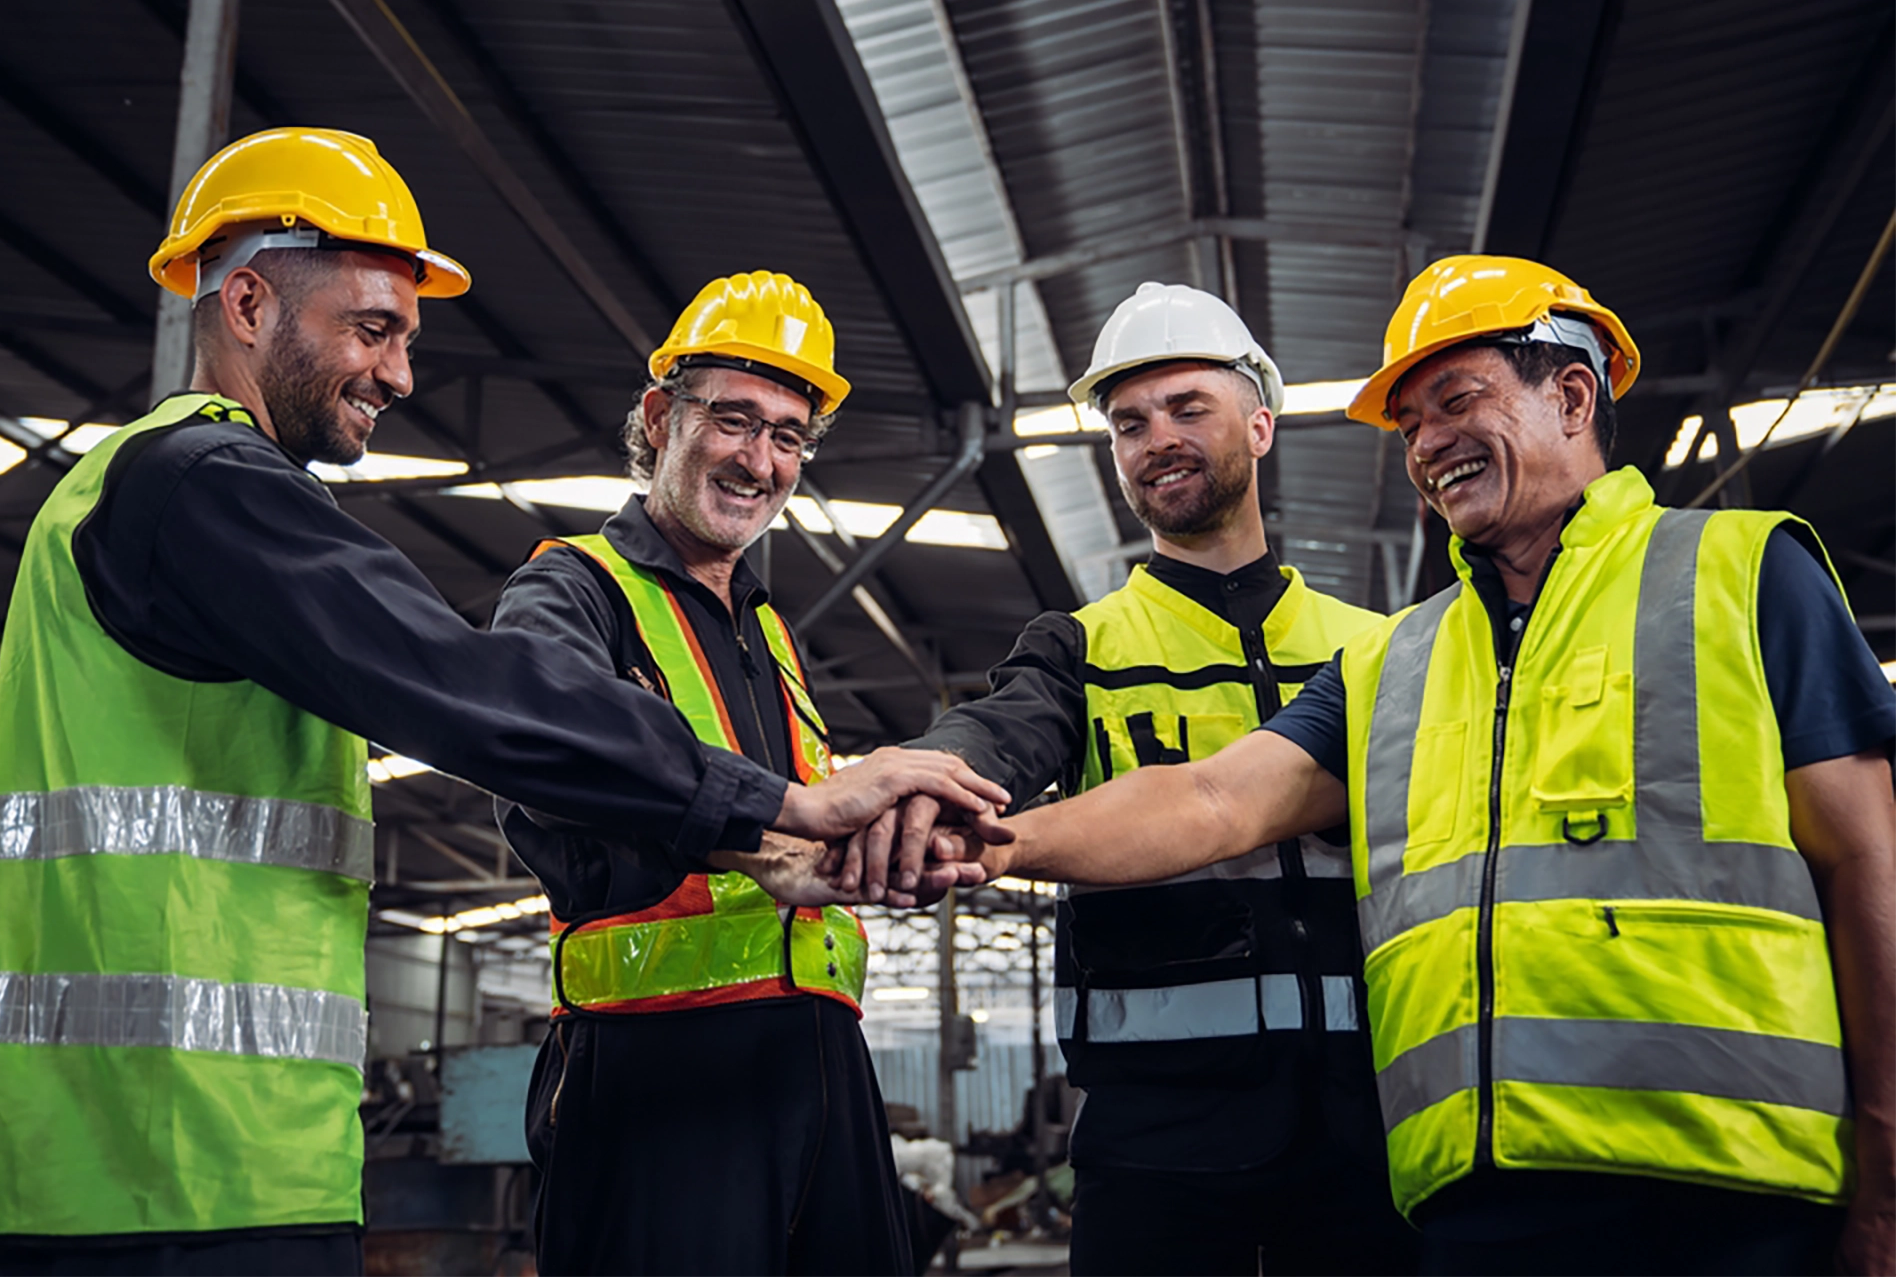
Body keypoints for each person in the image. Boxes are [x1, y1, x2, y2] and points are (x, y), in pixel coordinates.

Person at [0, 129, 1003, 1276]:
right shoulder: (194, 483)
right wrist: (778, 804)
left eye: (787, 434)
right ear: (244, 303)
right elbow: (463, 683)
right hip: (132, 1166)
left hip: (215, 1151)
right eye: (371, 328)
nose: (400, 374)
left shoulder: (206, 497)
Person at [916, 256, 1896, 1276]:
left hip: (1721, 1198)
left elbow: (1867, 863)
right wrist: (979, 840)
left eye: (1456, 399)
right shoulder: (1398, 658)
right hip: (1468, 1196)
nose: (1428, 442)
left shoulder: (1739, 574)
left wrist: (1885, 1165)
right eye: (1409, 422)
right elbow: (1211, 797)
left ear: (1569, 394)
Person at [879, 282, 1415, 1275]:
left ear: (1259, 424)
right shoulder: (1079, 647)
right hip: (1155, 1139)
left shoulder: (1382, 646)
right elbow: (997, 732)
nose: (1153, 437)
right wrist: (915, 782)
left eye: (1184, 408)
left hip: (1368, 1123)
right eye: (1127, 423)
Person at [490, 270, 946, 1277]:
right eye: (732, 418)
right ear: (658, 418)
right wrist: (773, 817)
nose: (760, 458)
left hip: (822, 1064)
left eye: (788, 434)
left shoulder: (771, 632)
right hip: (659, 1074)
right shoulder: (570, 586)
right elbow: (551, 734)